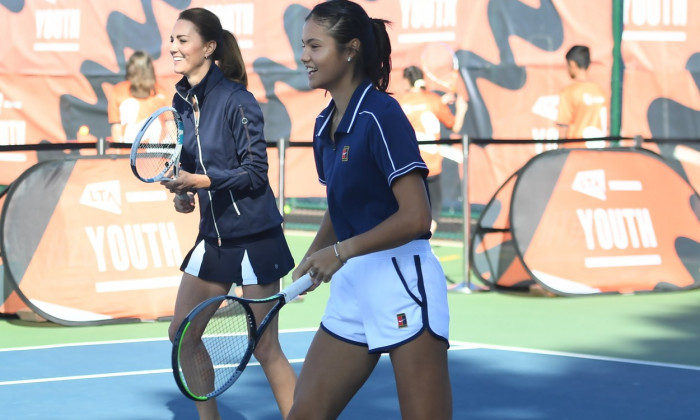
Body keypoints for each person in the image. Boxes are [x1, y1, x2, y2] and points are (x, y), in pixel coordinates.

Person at [289, 1, 452, 419]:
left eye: (314, 46)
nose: (304, 56)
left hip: (401, 278)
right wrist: (314, 254)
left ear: (350, 50)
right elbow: (339, 206)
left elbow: (416, 217)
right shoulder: (324, 123)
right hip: (353, 280)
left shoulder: (382, 113)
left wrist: (340, 252)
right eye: (303, 45)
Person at [160, 8, 296, 420]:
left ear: (209, 47)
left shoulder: (239, 100)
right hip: (214, 239)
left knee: (265, 346)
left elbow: (255, 174)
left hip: (256, 238)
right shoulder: (180, 99)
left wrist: (199, 181)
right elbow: (191, 162)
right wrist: (184, 195)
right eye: (172, 40)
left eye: (183, 40)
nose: (174, 47)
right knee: (181, 335)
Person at [399, 65, 467, 236]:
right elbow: (454, 125)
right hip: (431, 166)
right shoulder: (433, 100)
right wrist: (461, 110)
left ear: (408, 81)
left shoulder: (400, 102)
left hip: (408, 165)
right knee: (433, 212)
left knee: (408, 210)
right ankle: (424, 244)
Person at [107, 50, 169, 143]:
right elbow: (116, 126)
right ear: (150, 68)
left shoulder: (161, 92)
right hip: (133, 154)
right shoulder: (162, 92)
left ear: (130, 69)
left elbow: (116, 127)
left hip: (153, 154)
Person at [556, 45, 608, 148]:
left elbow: (564, 127)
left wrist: (558, 155)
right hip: (598, 153)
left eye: (567, 65)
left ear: (572, 64)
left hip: (575, 152)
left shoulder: (569, 92)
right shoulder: (601, 92)